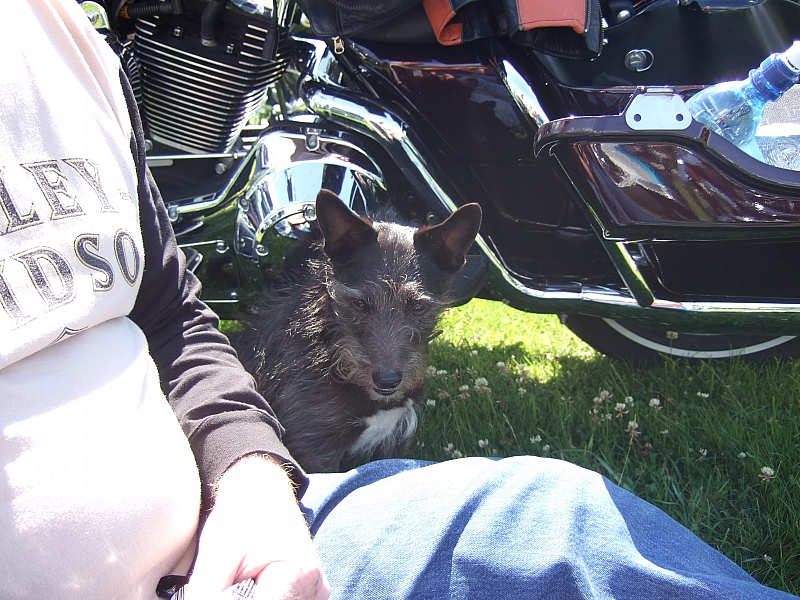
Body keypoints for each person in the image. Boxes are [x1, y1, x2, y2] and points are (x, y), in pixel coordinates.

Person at [0, 2, 795, 599]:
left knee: (562, 516)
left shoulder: (65, 42)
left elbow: (174, 320)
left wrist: (247, 475)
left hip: (252, 526)